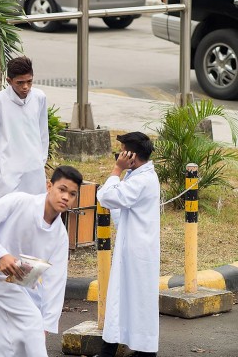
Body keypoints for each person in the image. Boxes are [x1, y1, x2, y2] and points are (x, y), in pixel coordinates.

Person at [0, 165, 83, 357]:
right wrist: (0, 254)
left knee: (24, 332)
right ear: (49, 186)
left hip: (22, 282)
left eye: (72, 194)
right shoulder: (20, 201)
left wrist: (47, 323)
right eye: (62, 189)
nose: (66, 197)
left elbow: (55, 281)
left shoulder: (60, 237)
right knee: (22, 324)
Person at [95, 132, 160, 357]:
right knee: (125, 298)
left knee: (136, 299)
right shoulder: (138, 175)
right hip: (132, 246)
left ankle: (142, 350)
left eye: (120, 152)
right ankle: (117, 346)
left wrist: (116, 170)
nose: (118, 157)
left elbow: (106, 197)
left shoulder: (142, 179)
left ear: (131, 155)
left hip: (137, 250)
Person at [0, 56, 49, 202]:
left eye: (29, 81)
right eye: (20, 83)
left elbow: (43, 132)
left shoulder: (39, 97)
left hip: (34, 168)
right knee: (5, 212)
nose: (25, 87)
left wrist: (40, 160)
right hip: (8, 169)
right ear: (9, 81)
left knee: (34, 210)